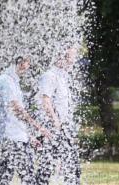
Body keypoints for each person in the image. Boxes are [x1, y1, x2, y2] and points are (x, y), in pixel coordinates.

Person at [0, 56, 51, 185]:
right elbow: (16, 109)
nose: (26, 68)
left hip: (15, 137)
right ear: (20, 63)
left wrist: (29, 136)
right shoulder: (5, 81)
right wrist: (39, 127)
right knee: (24, 175)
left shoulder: (13, 82)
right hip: (8, 138)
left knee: (5, 177)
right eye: (26, 64)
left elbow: (14, 118)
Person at [35, 48, 81, 185]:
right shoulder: (50, 76)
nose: (74, 61)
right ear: (62, 57)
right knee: (49, 165)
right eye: (72, 58)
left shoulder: (63, 77)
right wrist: (55, 121)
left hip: (63, 126)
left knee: (69, 164)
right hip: (54, 126)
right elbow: (45, 100)